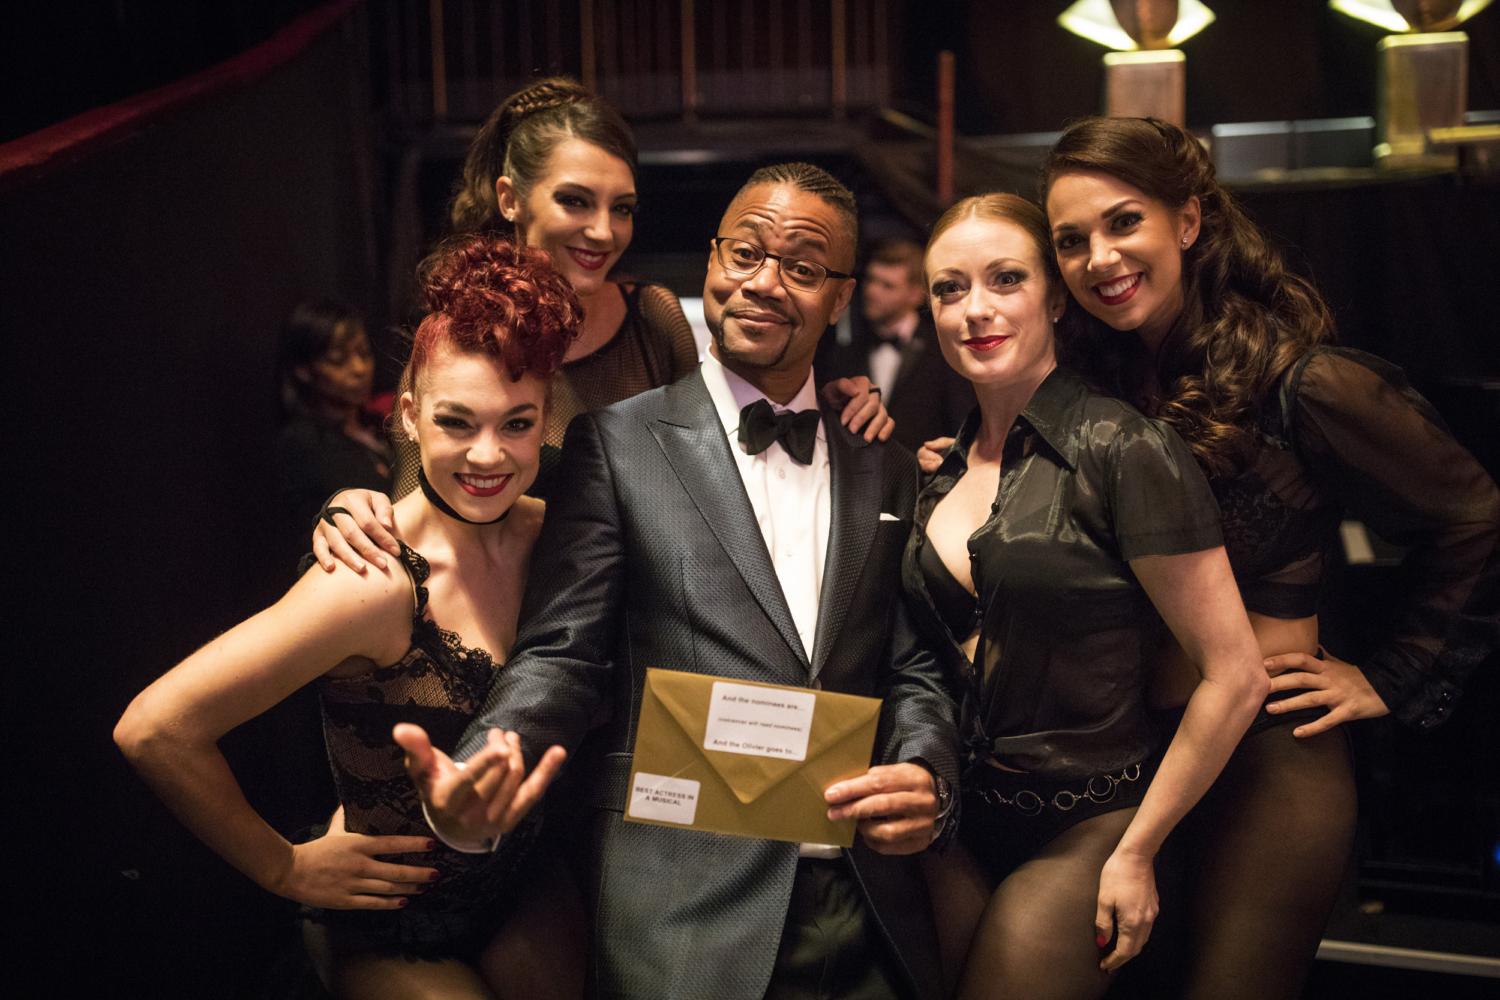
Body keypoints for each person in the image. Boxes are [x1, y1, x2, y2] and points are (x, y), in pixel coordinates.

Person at [318, 163, 960, 1000]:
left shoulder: (884, 459)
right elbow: (563, 656)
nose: (763, 282)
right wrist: (481, 776)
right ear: (711, 259)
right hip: (684, 903)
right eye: (745, 252)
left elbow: (910, 664)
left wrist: (928, 775)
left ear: (839, 298)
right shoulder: (616, 446)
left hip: (868, 901)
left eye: (801, 267)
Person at [1037, 116, 1500, 1000]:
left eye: (1122, 222)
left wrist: (1390, 676)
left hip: (1269, 763)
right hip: (1129, 755)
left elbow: (1476, 516)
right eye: (1071, 240)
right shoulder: (1092, 388)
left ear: (1189, 221)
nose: (1098, 256)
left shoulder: (1306, 383)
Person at [115, 235, 579, 999]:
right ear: (408, 417)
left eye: (517, 424)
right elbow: (155, 730)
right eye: (457, 423)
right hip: (394, 918)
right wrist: (283, 865)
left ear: (547, 418)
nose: (488, 455)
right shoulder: (370, 583)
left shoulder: (553, 537)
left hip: (521, 885)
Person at [905, 192, 1268, 1000]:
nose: (976, 310)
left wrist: (1138, 850)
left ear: (1056, 299)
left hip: (1093, 823)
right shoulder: (943, 468)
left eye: (1005, 280)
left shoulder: (1126, 447)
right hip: (956, 822)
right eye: (949, 289)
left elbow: (1234, 674)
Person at [385, 77, 889, 501]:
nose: (604, 231)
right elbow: (411, 512)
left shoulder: (651, 317)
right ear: (510, 199)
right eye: (575, 201)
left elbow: (718, 445)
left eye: (621, 208)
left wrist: (819, 405)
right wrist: (350, 505)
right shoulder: (455, 336)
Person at [816, 239, 977, 453]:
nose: (872, 291)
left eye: (887, 285)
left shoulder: (944, 350)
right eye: (871, 280)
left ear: (916, 294)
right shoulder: (844, 352)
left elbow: (962, 425)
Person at [276, 300, 391, 535]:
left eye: (364, 353)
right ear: (304, 370)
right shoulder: (302, 444)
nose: (360, 368)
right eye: (339, 359)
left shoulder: (379, 425)